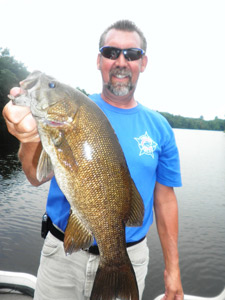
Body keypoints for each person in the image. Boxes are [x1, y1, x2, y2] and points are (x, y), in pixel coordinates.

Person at [3, 20, 183, 300]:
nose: (121, 61)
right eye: (111, 52)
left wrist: (173, 270)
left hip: (129, 256)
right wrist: (29, 139)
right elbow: (34, 176)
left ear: (143, 62)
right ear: (99, 61)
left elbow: (165, 200)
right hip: (62, 255)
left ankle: (116, 265)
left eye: (131, 54)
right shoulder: (74, 111)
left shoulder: (160, 128)